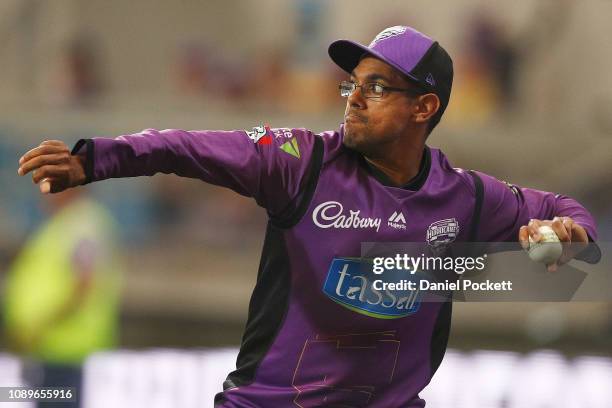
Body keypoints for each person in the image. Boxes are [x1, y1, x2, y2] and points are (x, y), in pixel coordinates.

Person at [17, 26, 600, 407]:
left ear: (424, 107)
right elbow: (184, 145)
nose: (352, 96)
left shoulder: (467, 197)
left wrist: (570, 234)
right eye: (353, 83)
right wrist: (94, 159)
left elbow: (567, 216)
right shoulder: (299, 161)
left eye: (376, 87)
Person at [3, 187, 122, 408]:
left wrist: (42, 324)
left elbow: (84, 284)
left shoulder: (81, 224)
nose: (43, 192)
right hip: (49, 353)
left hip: (66, 354)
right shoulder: (64, 224)